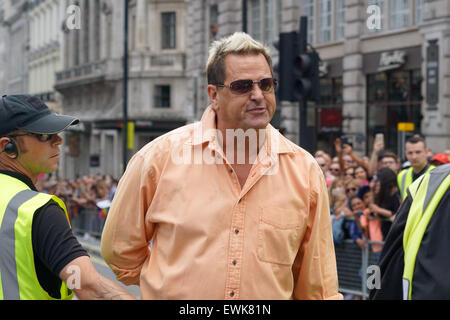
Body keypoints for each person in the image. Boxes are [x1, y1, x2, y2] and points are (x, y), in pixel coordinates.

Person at [101, 32, 342, 300]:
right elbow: (119, 251)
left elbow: (317, 286)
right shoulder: (158, 159)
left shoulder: (304, 170)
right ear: (213, 95)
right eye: (242, 86)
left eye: (266, 84)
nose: (258, 95)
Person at [0, 94, 135, 300]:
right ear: (7, 147)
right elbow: (89, 286)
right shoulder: (35, 210)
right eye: (43, 135)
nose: (58, 140)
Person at [370, 164, 450, 299]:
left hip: (382, 248)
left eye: (377, 181)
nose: (374, 184)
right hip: (377, 248)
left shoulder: (433, 180)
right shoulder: (433, 181)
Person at [397, 135, 435, 200]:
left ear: (426, 152)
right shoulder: (401, 175)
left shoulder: (436, 173)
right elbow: (401, 202)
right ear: (405, 154)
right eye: (410, 153)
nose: (414, 157)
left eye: (418, 152)